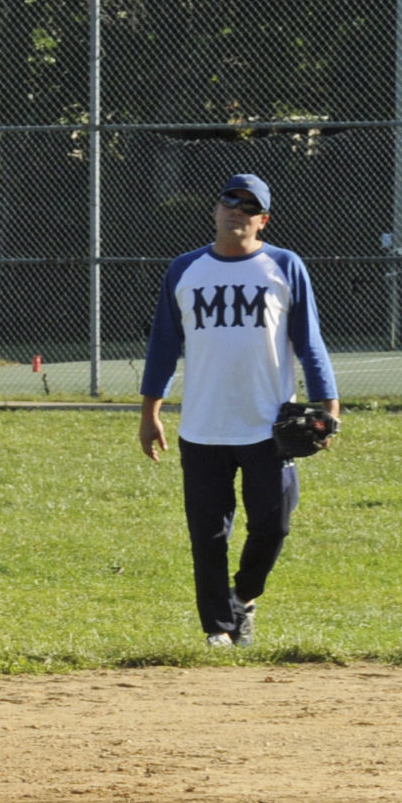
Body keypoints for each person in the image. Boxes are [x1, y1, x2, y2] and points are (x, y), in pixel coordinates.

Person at [139, 173, 340, 649]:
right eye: (229, 200)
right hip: (203, 426)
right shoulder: (185, 270)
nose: (237, 210)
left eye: (249, 207)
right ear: (215, 210)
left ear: (262, 220)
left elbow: (310, 343)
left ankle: (244, 597)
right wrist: (151, 411)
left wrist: (328, 407)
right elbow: (164, 346)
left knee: (275, 524)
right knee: (207, 535)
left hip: (267, 425)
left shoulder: (284, 267)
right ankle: (218, 629)